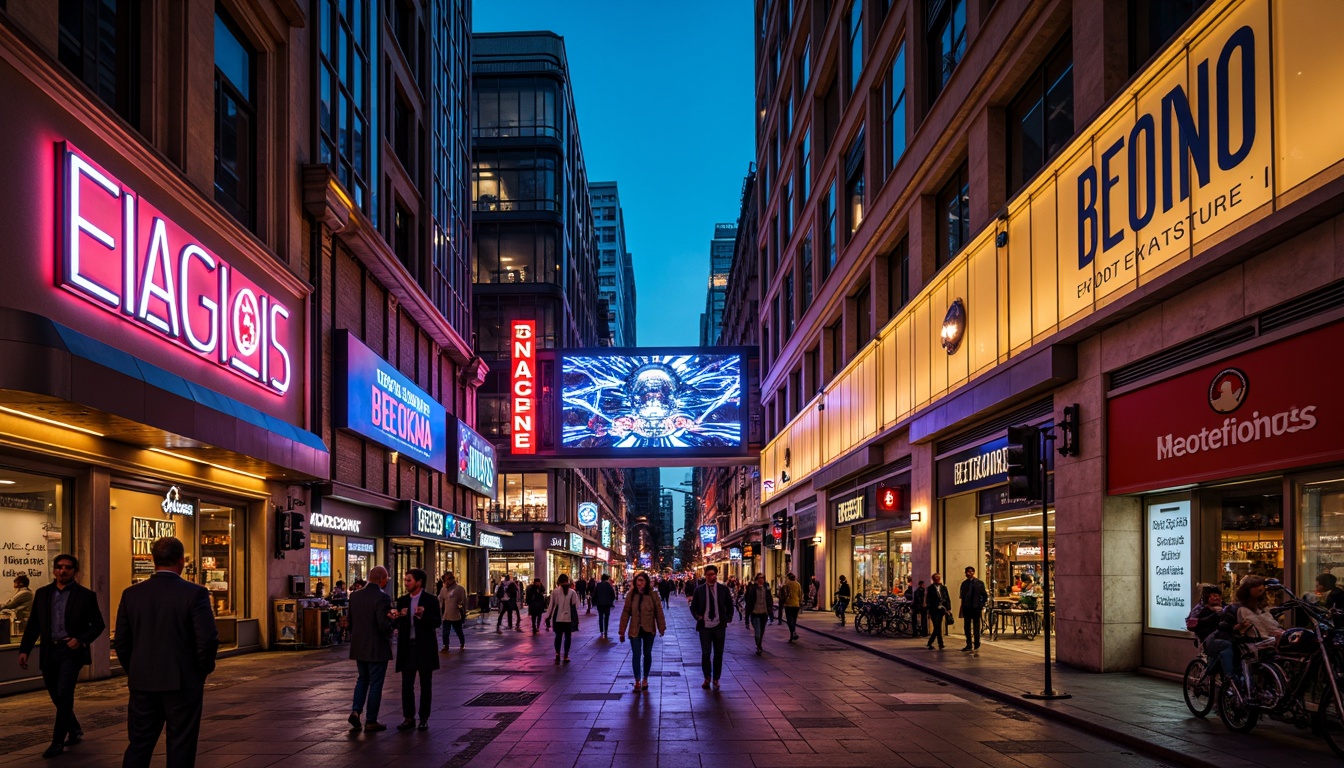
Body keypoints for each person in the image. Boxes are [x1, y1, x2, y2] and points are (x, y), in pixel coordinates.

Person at [113, 538, 218, 768]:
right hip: (182, 680)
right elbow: (207, 639)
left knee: (140, 742)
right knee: (181, 742)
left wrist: (135, 668)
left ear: (153, 560)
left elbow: (121, 640)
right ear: (181, 560)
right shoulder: (195, 593)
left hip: (143, 681)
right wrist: (200, 671)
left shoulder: (131, 594)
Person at [17, 555, 105, 759]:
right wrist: (24, 650)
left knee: (65, 693)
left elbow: (98, 625)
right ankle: (73, 728)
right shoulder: (42, 594)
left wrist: (81, 640)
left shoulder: (85, 596)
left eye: (67, 568)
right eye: (59, 567)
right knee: (56, 695)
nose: (63, 571)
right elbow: (34, 625)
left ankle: (57, 741)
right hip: (49, 651)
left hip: (70, 651)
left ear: (75, 571)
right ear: (54, 570)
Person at [392, 568, 440, 731]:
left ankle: (424, 718)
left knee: (426, 685)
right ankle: (408, 717)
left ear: (419, 582)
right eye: (405, 580)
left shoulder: (430, 600)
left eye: (409, 580)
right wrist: (397, 616)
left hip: (425, 647)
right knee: (407, 685)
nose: (406, 583)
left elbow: (437, 622)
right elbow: (396, 623)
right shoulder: (402, 600)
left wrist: (423, 615)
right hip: (408, 647)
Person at [347, 565, 393, 733]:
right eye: (386, 579)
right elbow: (382, 624)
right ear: (382, 579)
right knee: (375, 683)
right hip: (377, 647)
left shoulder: (355, 596)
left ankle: (356, 710)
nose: (386, 582)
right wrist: (392, 625)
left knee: (362, 679)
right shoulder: (382, 597)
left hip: (359, 646)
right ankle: (371, 720)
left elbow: (350, 622)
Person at [619, 572, 666, 691]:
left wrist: (661, 627)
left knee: (647, 654)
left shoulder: (652, 594)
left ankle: (645, 678)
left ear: (646, 582)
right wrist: (622, 630)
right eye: (638, 581)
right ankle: (637, 680)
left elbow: (658, 611)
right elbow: (626, 612)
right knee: (636, 654)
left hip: (648, 628)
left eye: (642, 581)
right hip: (635, 629)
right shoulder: (631, 595)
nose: (639, 583)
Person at [691, 564, 735, 690]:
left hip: (719, 626)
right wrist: (697, 616)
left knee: (718, 653)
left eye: (713, 574)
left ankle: (716, 678)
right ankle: (707, 677)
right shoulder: (699, 590)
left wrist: (728, 617)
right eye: (709, 574)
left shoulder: (723, 589)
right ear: (705, 576)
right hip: (705, 626)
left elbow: (730, 605)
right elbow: (693, 607)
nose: (711, 577)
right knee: (706, 653)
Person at [546, 574, 581, 663]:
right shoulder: (572, 592)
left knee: (558, 637)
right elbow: (576, 605)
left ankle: (557, 654)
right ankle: (566, 655)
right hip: (568, 618)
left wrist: (547, 617)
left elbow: (551, 606)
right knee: (567, 637)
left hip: (557, 618)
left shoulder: (555, 592)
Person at [959, 566, 989, 653]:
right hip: (967, 608)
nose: (969, 573)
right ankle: (968, 644)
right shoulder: (964, 584)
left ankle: (976, 642)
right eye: (967, 572)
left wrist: (981, 605)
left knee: (976, 626)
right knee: (967, 627)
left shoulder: (979, 583)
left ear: (973, 572)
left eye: (971, 571)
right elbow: (962, 596)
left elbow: (984, 596)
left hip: (976, 608)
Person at [437, 571, 468, 652]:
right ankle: (446, 645)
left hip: (456, 614)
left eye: (446, 580)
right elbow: (440, 599)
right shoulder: (443, 589)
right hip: (446, 614)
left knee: (458, 631)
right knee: (445, 632)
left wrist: (464, 611)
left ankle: (462, 643)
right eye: (444, 581)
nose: (445, 583)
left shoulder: (460, 589)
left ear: (451, 580)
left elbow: (464, 601)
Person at [745, 572, 774, 655]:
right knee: (757, 632)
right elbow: (749, 603)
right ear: (757, 580)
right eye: (759, 578)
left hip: (764, 613)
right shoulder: (753, 589)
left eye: (762, 578)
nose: (761, 579)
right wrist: (747, 619)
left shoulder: (766, 588)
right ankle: (758, 644)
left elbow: (769, 600)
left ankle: (759, 646)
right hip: (755, 613)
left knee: (762, 631)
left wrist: (770, 612)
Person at [925, 573, 951, 650]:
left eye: (938, 578)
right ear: (933, 579)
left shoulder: (944, 588)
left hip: (942, 610)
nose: (937, 580)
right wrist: (929, 611)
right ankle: (937, 643)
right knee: (937, 626)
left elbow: (947, 599)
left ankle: (935, 643)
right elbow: (928, 600)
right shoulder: (930, 588)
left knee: (938, 626)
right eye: (935, 578)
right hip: (934, 609)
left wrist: (948, 609)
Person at [592, 573, 617, 638]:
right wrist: (611, 601)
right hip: (607, 604)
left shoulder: (598, 585)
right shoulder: (609, 586)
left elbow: (595, 594)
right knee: (606, 617)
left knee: (600, 616)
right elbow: (613, 595)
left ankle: (601, 630)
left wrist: (594, 602)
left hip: (599, 603)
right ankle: (606, 630)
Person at [781, 572, 803, 642]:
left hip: (789, 605)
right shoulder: (798, 584)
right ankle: (792, 636)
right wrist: (799, 602)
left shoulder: (786, 585)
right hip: (796, 605)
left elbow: (784, 594)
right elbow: (800, 594)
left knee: (789, 621)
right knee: (794, 621)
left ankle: (793, 633)